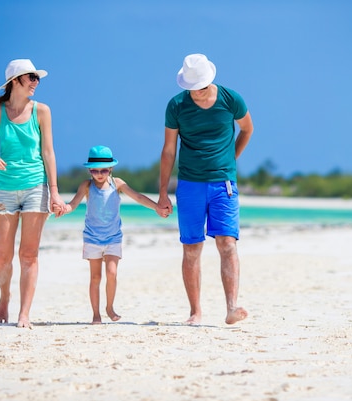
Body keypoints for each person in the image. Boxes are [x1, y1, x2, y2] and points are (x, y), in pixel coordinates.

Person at [157, 53, 254, 325]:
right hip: (189, 184)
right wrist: (163, 192)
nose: (196, 93)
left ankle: (232, 307)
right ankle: (195, 312)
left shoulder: (231, 99)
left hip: (223, 183)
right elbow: (168, 150)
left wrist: (231, 158)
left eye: (200, 87)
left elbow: (247, 129)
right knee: (192, 248)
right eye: (191, 88)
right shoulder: (176, 106)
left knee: (227, 243)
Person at [0, 59, 65, 328]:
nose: (35, 83)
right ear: (14, 81)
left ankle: (24, 314)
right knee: (2, 256)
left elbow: (48, 152)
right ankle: (5, 295)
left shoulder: (42, 111)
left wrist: (54, 193)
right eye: (31, 78)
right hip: (4, 188)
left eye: (37, 78)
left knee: (29, 255)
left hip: (35, 187)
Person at [59, 145, 168, 324]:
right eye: (95, 171)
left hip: (113, 237)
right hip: (92, 237)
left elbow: (138, 197)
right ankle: (96, 314)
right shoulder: (86, 185)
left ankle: (109, 307)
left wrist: (156, 207)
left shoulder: (117, 184)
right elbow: (74, 203)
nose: (99, 174)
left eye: (103, 170)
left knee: (112, 273)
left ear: (111, 168)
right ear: (89, 170)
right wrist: (64, 209)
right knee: (95, 277)